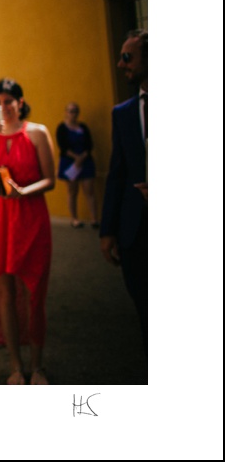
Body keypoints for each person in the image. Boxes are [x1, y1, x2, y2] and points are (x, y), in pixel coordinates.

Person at [0, 78, 56, 385]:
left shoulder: (37, 132)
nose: (4, 107)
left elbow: (51, 179)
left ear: (20, 103)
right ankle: (15, 366)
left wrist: (25, 192)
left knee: (33, 289)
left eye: (9, 101)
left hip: (30, 214)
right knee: (5, 292)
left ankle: (37, 365)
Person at [99, 29, 148, 353]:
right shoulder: (123, 112)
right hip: (136, 227)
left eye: (127, 57)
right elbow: (116, 174)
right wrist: (107, 230)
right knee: (143, 298)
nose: (120, 64)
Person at [56, 102, 99, 228]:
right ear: (66, 112)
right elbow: (62, 145)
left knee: (89, 190)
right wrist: (76, 158)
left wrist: (82, 157)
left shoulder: (83, 127)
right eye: (70, 111)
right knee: (72, 191)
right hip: (70, 162)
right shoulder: (62, 128)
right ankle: (74, 218)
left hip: (85, 160)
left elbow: (89, 144)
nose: (73, 114)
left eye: (75, 111)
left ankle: (94, 219)